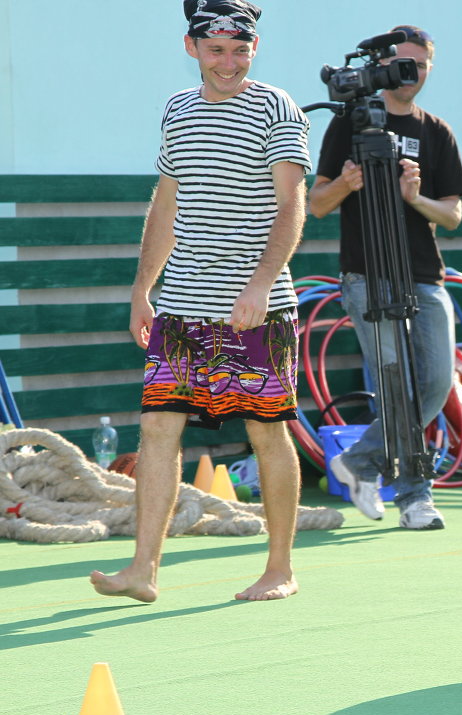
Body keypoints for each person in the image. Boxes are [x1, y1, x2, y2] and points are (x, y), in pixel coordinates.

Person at [90, 0, 310, 603]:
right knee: (158, 427)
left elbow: (293, 202)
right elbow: (166, 204)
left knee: (267, 431)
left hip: (257, 307)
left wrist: (263, 282)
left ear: (254, 49)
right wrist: (143, 290)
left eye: (241, 49)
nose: (229, 61)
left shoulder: (276, 106)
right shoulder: (177, 109)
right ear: (192, 48)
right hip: (182, 307)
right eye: (216, 50)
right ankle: (143, 570)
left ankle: (280, 570)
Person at [310, 24, 462, 531]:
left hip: (424, 275)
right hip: (366, 273)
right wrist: (348, 183)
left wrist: (414, 199)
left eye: (419, 64)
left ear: (429, 69)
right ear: (380, 67)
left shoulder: (437, 131)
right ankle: (415, 498)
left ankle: (358, 462)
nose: (410, 73)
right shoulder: (349, 124)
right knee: (395, 386)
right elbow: (315, 204)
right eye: (401, 63)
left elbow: (452, 215)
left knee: (437, 381)